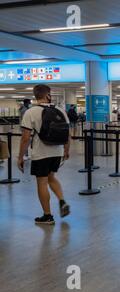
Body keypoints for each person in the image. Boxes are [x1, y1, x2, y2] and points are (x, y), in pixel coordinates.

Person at [17, 84, 71, 225]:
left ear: (35, 95)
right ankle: (62, 200)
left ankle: (47, 216)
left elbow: (25, 138)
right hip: (57, 151)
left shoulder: (30, 112)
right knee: (51, 177)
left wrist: (20, 157)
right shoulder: (60, 110)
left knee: (42, 181)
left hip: (41, 152)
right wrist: (66, 150)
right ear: (48, 95)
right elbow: (67, 133)